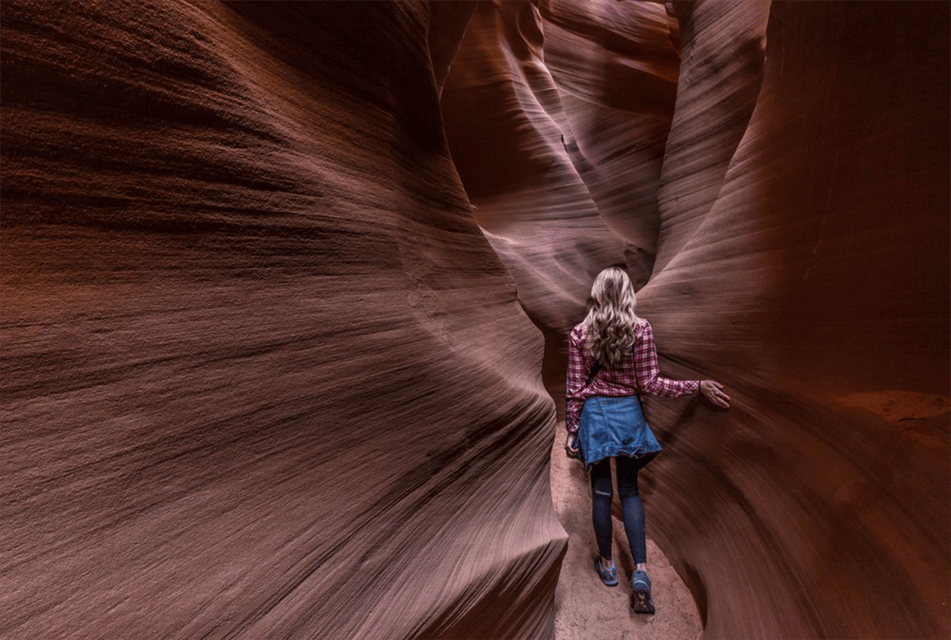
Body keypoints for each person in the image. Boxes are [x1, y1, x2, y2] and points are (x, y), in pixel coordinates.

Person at [564, 266, 730, 614]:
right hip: (628, 415)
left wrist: (572, 430)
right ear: (627, 294)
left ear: (596, 292)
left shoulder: (580, 334)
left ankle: (608, 566)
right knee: (629, 491)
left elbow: (575, 391)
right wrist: (695, 386)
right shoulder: (641, 330)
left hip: (595, 416)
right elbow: (651, 383)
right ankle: (640, 573)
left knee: (600, 491)